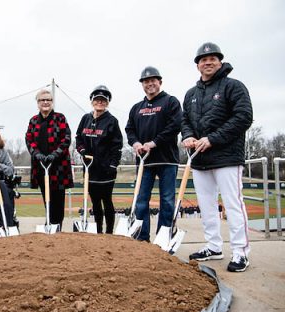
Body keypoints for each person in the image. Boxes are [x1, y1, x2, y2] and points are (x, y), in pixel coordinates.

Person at [182, 42, 253, 272]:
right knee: (207, 205)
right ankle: (213, 246)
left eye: (212, 58)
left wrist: (212, 139)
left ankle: (241, 252)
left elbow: (243, 117)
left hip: (227, 157)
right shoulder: (191, 94)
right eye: (203, 60)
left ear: (220, 62)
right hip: (200, 159)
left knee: (232, 204)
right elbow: (185, 120)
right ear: (197, 66)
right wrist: (189, 136)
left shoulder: (233, 86)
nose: (208, 62)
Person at [125, 66, 182, 241]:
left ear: (160, 82)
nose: (150, 84)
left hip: (166, 160)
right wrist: (135, 143)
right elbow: (130, 129)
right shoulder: (137, 107)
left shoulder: (171, 102)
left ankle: (163, 238)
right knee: (141, 200)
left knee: (167, 201)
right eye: (146, 81)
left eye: (153, 81)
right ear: (142, 84)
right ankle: (142, 237)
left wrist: (154, 143)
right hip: (144, 162)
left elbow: (174, 126)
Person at [75, 85, 123, 234]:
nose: (100, 102)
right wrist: (82, 150)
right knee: (95, 202)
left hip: (106, 169)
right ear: (92, 101)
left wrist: (113, 165)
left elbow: (117, 145)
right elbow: (78, 138)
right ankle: (98, 231)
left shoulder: (111, 121)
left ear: (107, 102)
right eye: (97, 100)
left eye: (103, 100)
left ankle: (109, 232)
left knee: (106, 200)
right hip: (89, 169)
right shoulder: (86, 119)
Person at [25, 89, 74, 229]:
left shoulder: (60, 118)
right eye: (42, 100)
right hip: (41, 166)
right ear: (37, 103)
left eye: (48, 100)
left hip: (58, 167)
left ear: (52, 102)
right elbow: (29, 140)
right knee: (46, 198)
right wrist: (37, 154)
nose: (45, 102)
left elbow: (66, 139)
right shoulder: (33, 120)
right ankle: (49, 223)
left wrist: (55, 154)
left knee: (58, 199)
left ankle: (56, 226)